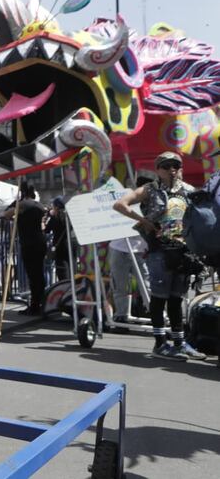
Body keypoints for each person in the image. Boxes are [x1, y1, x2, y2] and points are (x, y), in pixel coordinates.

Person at [113, 152, 207, 361]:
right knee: (159, 297)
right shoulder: (150, 189)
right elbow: (120, 204)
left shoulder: (189, 190)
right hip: (159, 251)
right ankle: (160, 343)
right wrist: (143, 220)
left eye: (176, 166)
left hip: (183, 251)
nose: (172, 170)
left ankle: (180, 343)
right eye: (166, 166)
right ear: (158, 170)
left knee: (176, 298)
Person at [2, 182, 46, 315]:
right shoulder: (39, 205)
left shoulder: (22, 205)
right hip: (40, 241)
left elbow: (6, 214)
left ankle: (34, 306)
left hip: (29, 243)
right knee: (39, 274)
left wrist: (16, 203)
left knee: (32, 275)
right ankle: (41, 303)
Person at [45, 197, 71, 281]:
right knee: (71, 267)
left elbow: (46, 230)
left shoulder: (55, 218)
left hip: (59, 247)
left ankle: (64, 285)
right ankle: (72, 285)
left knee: (61, 270)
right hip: (70, 245)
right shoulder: (69, 217)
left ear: (56, 207)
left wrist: (48, 217)